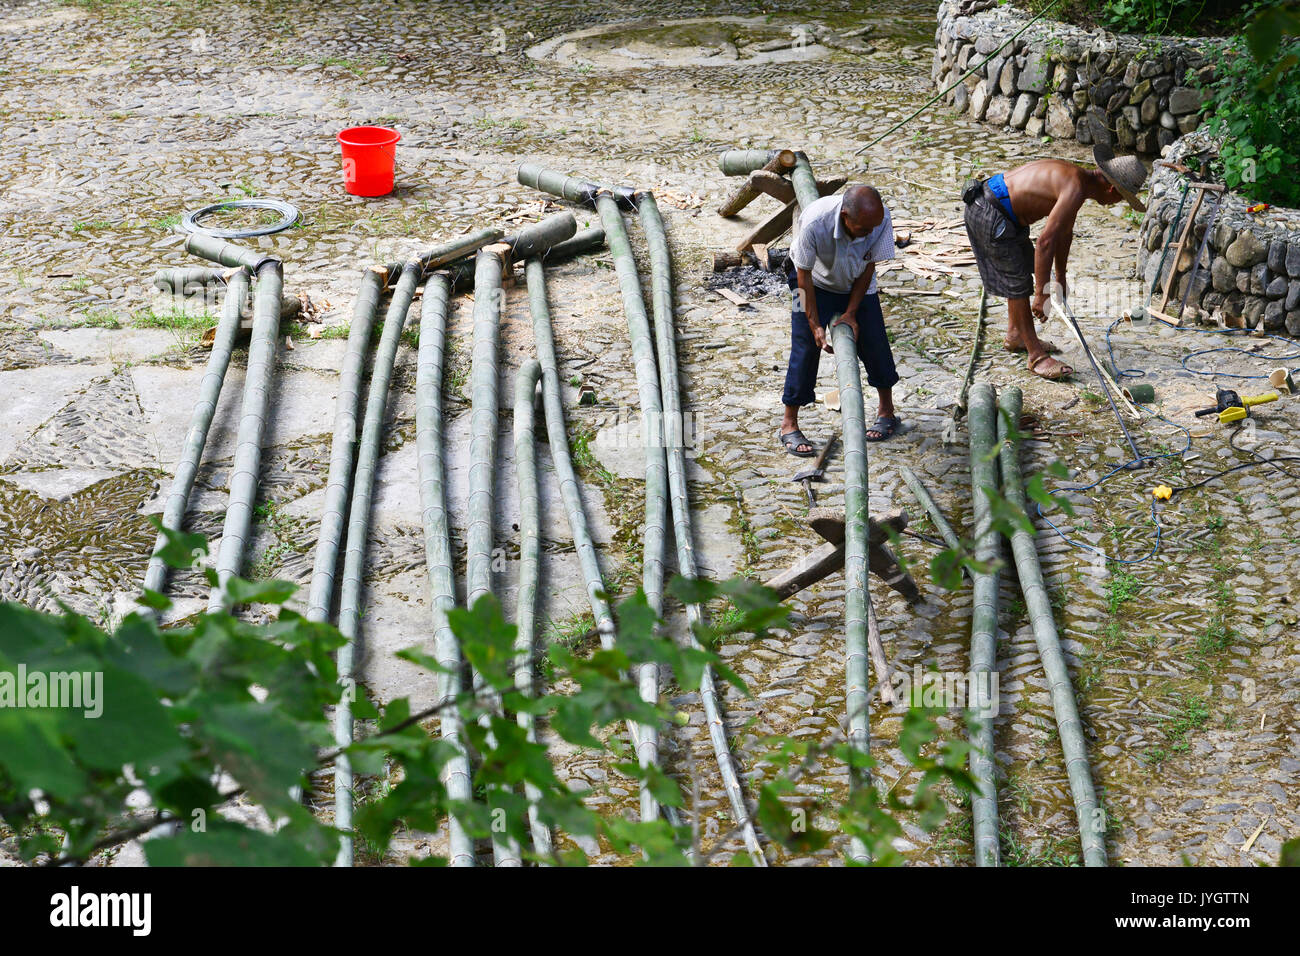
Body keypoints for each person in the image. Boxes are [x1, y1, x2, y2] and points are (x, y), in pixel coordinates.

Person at [962, 143, 1148, 380]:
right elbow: (1045, 242)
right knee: (1017, 283)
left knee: (1020, 268)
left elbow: (1064, 233)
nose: (1117, 203)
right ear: (1112, 190)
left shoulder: (1077, 179)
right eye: (1122, 199)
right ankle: (1036, 356)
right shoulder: (1076, 188)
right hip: (989, 210)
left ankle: (1015, 334)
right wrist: (1042, 293)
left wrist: (1060, 278)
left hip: (1001, 210)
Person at [779, 184, 900, 457]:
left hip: (856, 283)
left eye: (872, 228)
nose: (869, 234)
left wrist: (851, 313)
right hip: (808, 285)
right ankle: (789, 423)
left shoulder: (879, 220)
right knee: (804, 346)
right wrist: (814, 324)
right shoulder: (815, 221)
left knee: (875, 341)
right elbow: (803, 274)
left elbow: (870, 266)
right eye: (862, 229)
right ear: (845, 216)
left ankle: (887, 411)